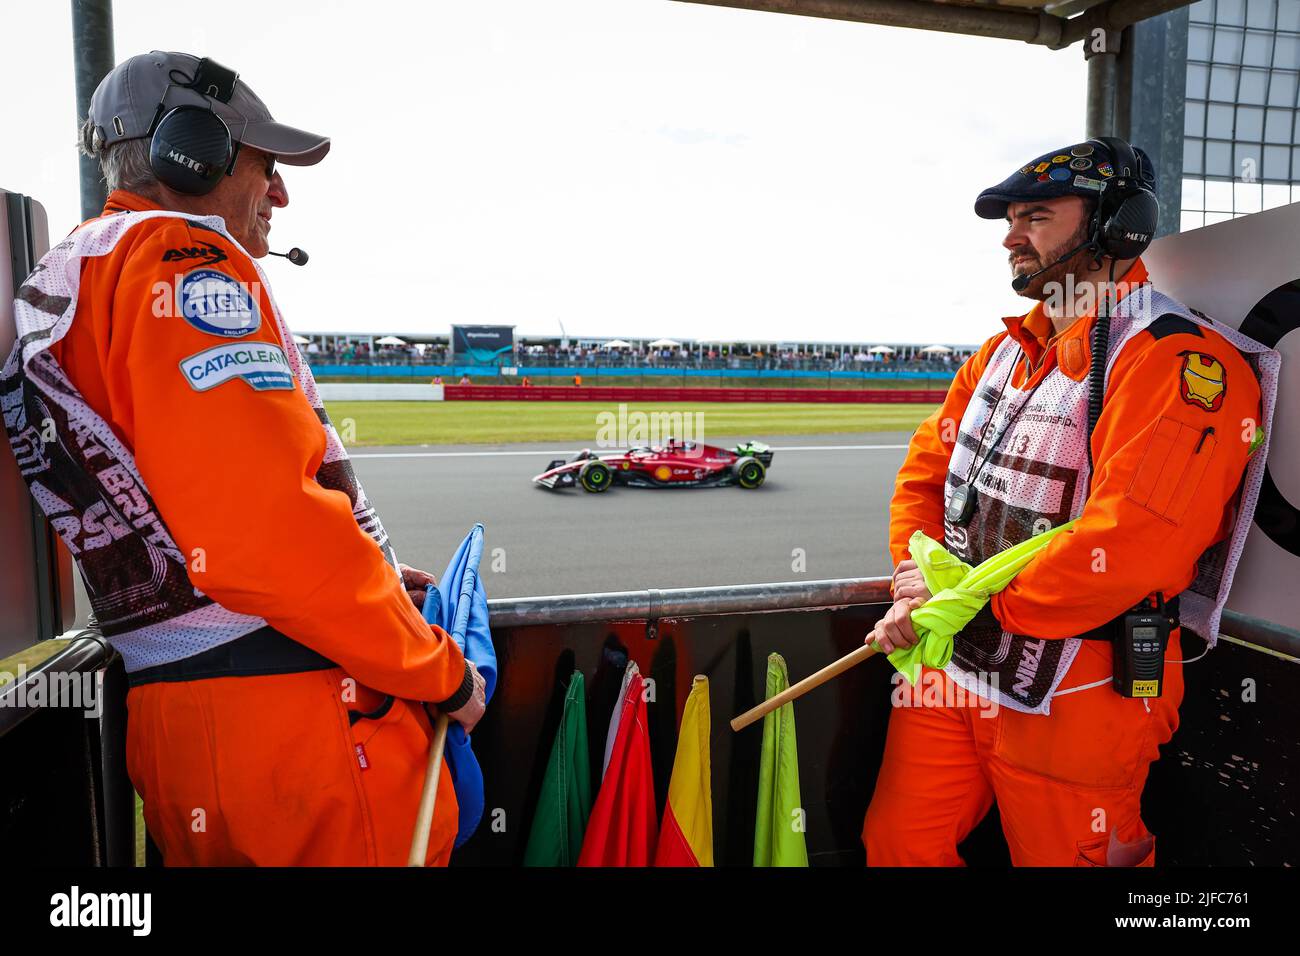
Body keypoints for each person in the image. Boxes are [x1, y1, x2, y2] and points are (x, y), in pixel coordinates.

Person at [1, 51, 485, 865]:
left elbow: (187, 516)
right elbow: (262, 534)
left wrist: (363, 577)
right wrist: (440, 672)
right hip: (293, 726)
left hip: (190, 721)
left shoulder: (74, 271)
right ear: (191, 153)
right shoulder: (184, 261)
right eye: (265, 167)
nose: (281, 194)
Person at [862, 138, 1273, 867]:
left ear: (1120, 226)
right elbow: (924, 480)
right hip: (950, 661)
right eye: (1011, 221)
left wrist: (963, 598)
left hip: (1086, 687)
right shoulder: (999, 354)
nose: (1012, 237)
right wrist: (911, 585)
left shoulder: (1179, 362)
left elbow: (1135, 542)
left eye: (1038, 216)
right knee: (898, 845)